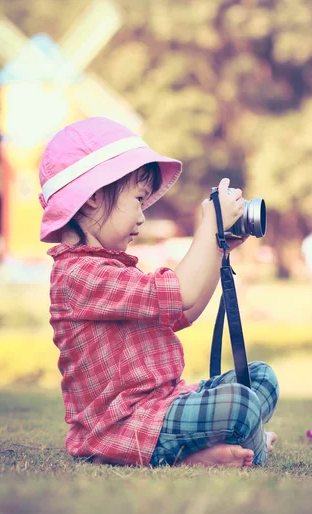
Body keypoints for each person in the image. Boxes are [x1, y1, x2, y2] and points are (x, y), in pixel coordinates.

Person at [38, 117, 279, 468]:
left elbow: (185, 311)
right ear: (91, 199)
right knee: (241, 406)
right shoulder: (79, 274)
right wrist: (209, 224)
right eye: (137, 200)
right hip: (123, 424)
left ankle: (220, 444)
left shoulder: (111, 266)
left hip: (163, 404)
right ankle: (237, 447)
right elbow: (180, 293)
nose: (141, 216)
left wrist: (219, 249)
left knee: (260, 379)